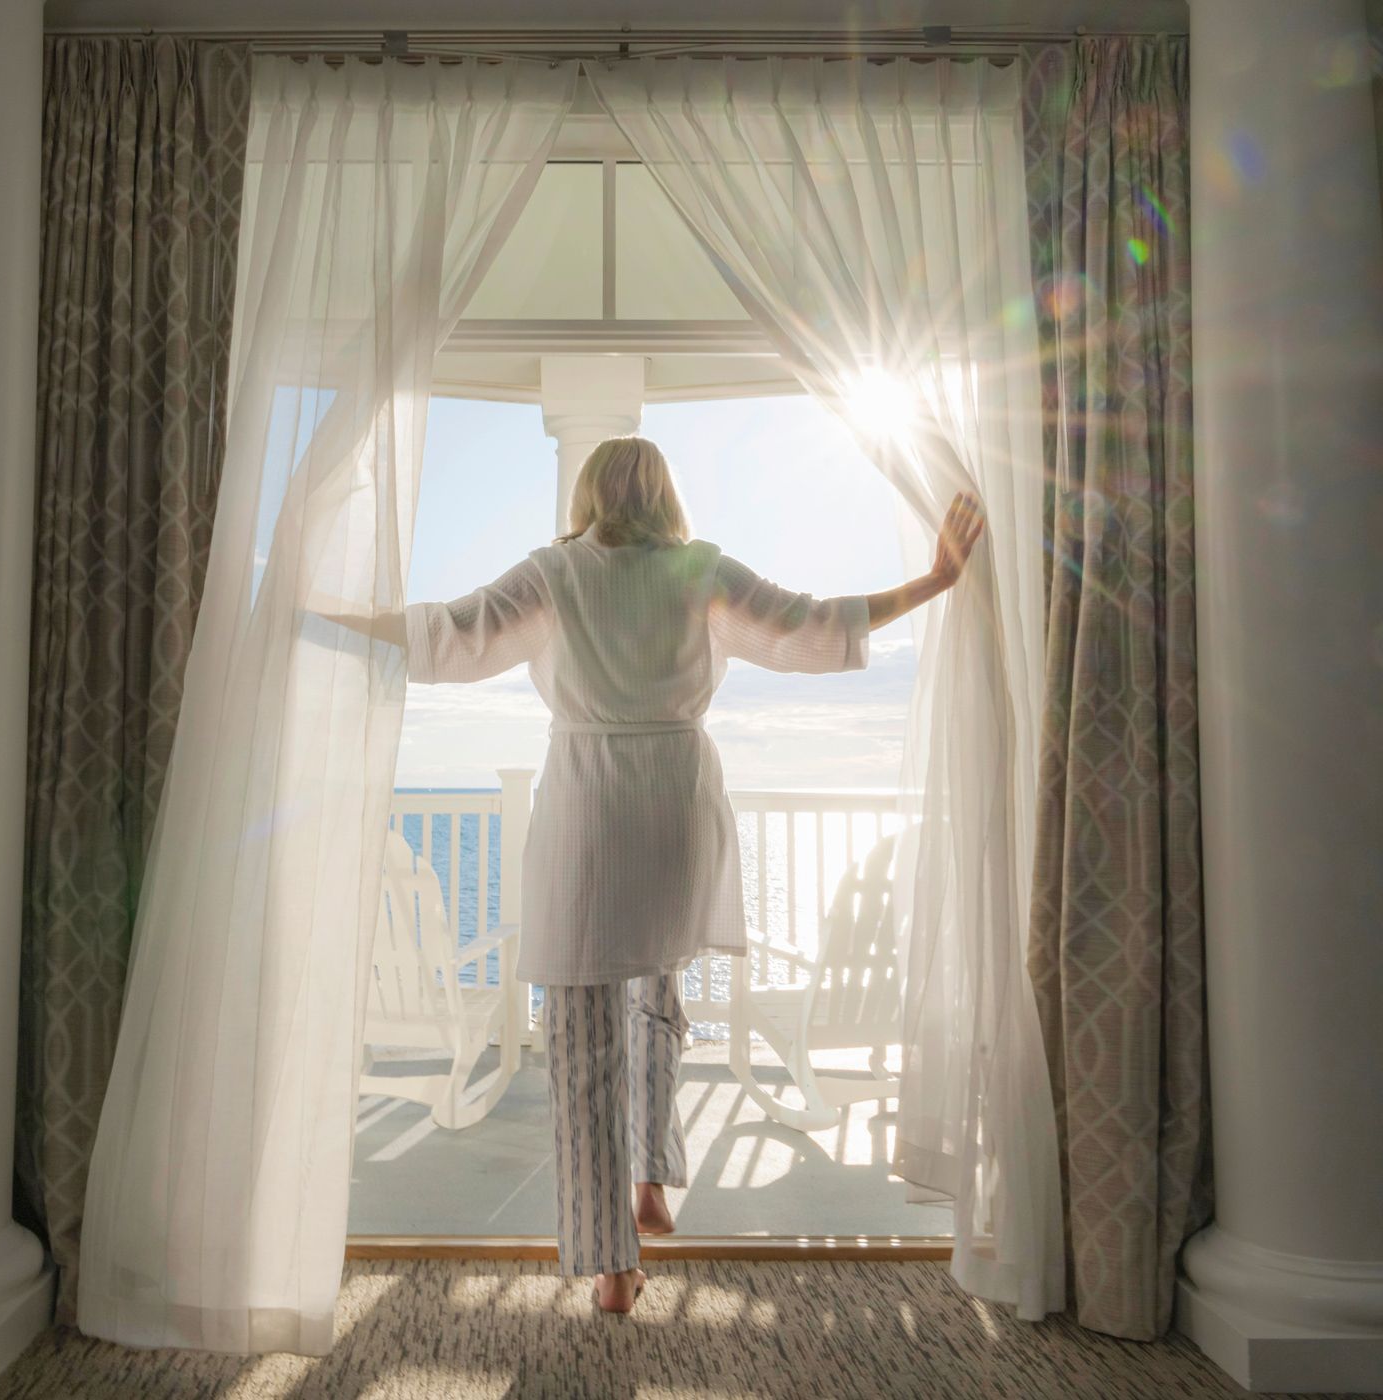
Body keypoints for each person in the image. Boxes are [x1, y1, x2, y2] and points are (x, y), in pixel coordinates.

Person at [398, 437, 984, 1315]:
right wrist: (935, 581)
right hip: (672, 802)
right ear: (666, 493)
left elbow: (451, 634)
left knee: (580, 1033)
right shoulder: (699, 567)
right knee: (657, 999)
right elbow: (809, 624)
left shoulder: (553, 573)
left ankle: (611, 1264)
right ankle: (652, 1186)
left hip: (590, 807)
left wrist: (338, 617)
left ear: (590, 493)